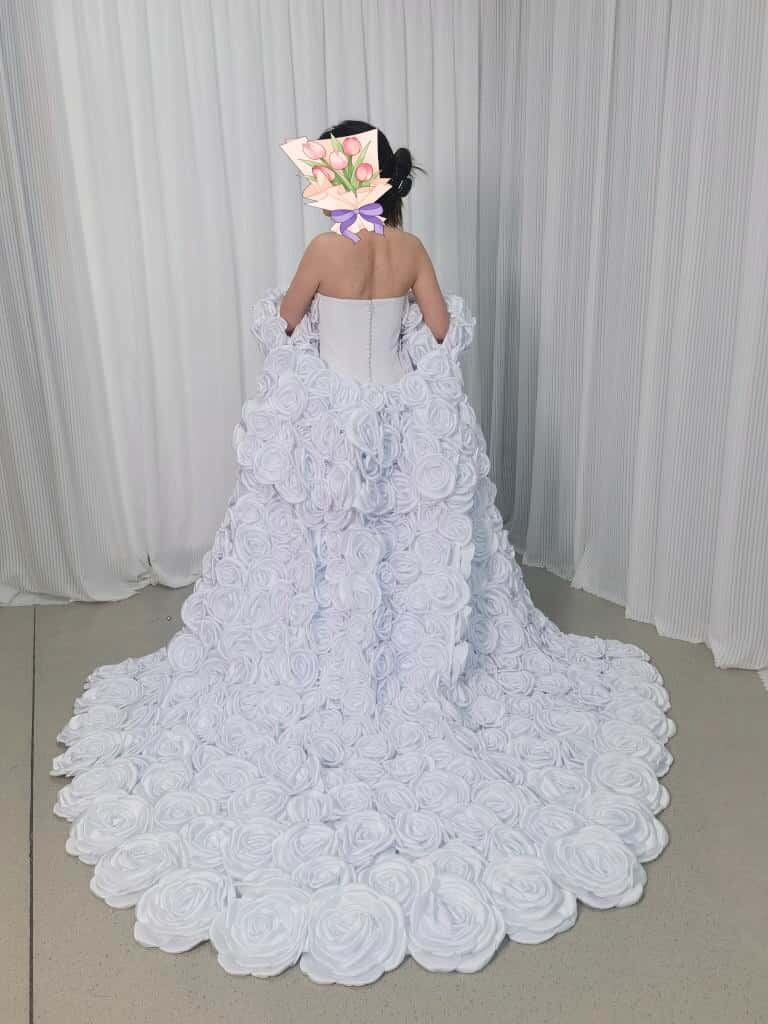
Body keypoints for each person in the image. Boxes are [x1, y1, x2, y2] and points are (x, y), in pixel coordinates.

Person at [51, 120, 674, 986]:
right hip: (401, 431)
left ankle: (334, 669)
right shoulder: (411, 249)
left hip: (333, 440)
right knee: (396, 562)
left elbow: (284, 326)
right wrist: (401, 369)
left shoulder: (322, 251)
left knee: (326, 563)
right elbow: (442, 338)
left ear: (344, 182)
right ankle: (401, 671)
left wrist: (316, 356)